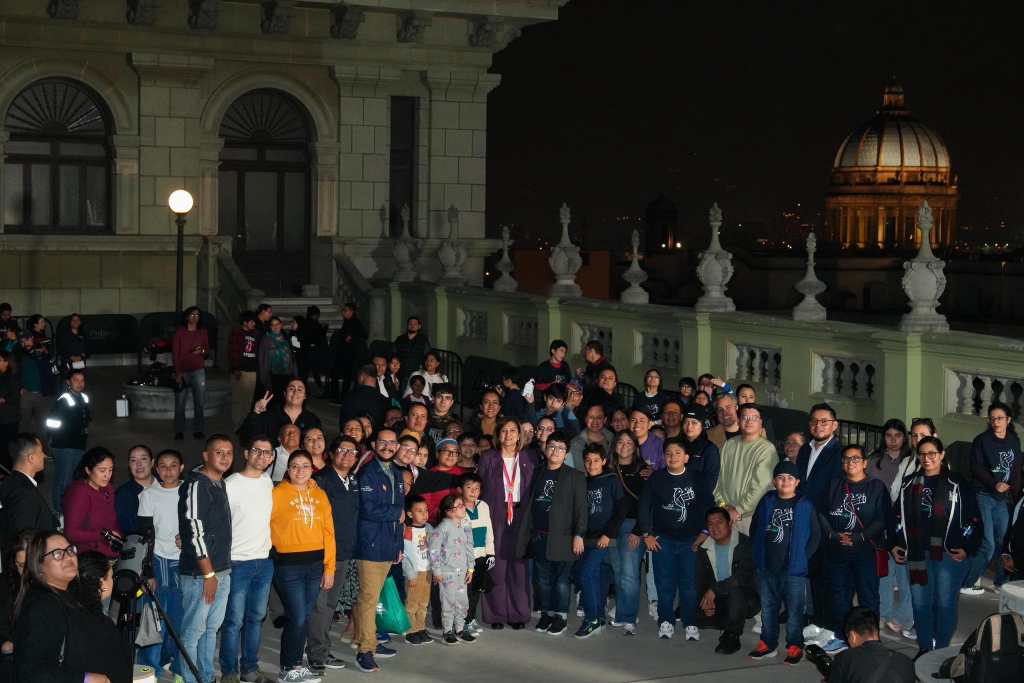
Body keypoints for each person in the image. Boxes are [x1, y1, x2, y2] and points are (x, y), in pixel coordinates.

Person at [891, 436, 981, 656]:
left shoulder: (957, 483)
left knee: (944, 604)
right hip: (917, 553)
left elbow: (973, 518)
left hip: (948, 554)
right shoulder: (909, 483)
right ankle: (924, 648)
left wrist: (967, 547)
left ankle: (940, 651)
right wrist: (895, 543)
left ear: (942, 455)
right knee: (920, 603)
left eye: (932, 453)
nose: (927, 458)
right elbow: (896, 517)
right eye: (922, 454)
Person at [13, 531, 130, 683]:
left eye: (70, 550)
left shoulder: (66, 598)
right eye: (57, 554)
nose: (68, 557)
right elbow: (32, 673)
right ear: (39, 566)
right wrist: (84, 679)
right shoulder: (42, 605)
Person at [633, 437, 713, 642]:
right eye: (668, 453)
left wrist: (705, 531)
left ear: (686, 457)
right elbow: (644, 506)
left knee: (689, 584)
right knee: (664, 583)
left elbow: (708, 506)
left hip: (691, 541)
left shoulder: (697, 478)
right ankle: (666, 620)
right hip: (663, 540)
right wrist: (647, 534)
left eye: (678, 453)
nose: (673, 457)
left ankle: (690, 621)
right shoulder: (656, 478)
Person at [270, 450, 335, 682]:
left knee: (305, 617)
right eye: (295, 466)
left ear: (312, 469)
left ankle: (296, 665)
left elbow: (329, 532)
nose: (300, 471)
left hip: (315, 566)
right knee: (297, 617)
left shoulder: (320, 494)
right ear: (288, 470)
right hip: (288, 567)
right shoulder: (276, 494)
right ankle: (287, 668)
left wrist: (329, 568)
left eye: (305, 466)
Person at [818, 444, 889, 653]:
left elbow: (882, 518)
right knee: (840, 597)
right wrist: (832, 534)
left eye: (856, 458)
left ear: (865, 463)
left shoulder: (876, 487)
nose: (851, 463)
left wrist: (859, 537)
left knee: (868, 598)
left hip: (865, 553)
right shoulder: (834, 485)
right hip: (837, 552)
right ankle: (842, 637)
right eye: (847, 459)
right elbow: (821, 512)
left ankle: (871, 641)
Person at [517, 430, 587, 636]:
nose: (555, 451)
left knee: (562, 581)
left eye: (560, 448)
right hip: (540, 535)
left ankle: (561, 616)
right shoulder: (537, 472)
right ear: (545, 449)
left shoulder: (575, 476)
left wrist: (579, 535)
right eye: (552, 447)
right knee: (542, 579)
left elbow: (581, 509)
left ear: (566, 453)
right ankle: (546, 613)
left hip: (564, 537)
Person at [749, 460, 819, 664]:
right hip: (767, 567)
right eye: (780, 478)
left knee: (795, 610)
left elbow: (815, 535)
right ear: (774, 481)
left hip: (794, 570)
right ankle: (768, 643)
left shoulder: (805, 504)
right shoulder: (767, 501)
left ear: (797, 482)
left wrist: (803, 557)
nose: (785, 481)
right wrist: (758, 553)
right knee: (768, 607)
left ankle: (794, 645)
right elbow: (755, 527)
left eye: (790, 478)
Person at [218, 437, 275, 683]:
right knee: (233, 621)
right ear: (245, 453)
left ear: (272, 458)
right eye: (256, 451)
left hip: (264, 562)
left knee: (256, 618)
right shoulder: (230, 484)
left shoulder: (267, 482)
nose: (261, 456)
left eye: (267, 452)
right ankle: (229, 672)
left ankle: (250, 669)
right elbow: (218, 524)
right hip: (237, 562)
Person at [179, 435, 234, 683]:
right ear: (205, 456)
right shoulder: (196, 485)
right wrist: (208, 574)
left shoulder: (218, 483)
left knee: (211, 630)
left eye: (229, 453)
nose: (225, 457)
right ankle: (191, 679)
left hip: (221, 570)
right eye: (218, 452)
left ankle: (207, 677)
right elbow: (195, 531)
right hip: (200, 574)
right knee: (192, 633)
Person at [476, 418, 536, 629]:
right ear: (498, 435)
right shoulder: (488, 458)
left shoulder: (529, 457)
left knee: (519, 567)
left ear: (519, 435)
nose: (508, 434)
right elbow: (480, 488)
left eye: (513, 430)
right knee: (497, 567)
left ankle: (518, 614)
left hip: (520, 514)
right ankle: (496, 614)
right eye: (504, 430)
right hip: (496, 513)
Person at [353, 428, 404, 673]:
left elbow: (401, 515)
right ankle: (365, 650)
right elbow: (368, 509)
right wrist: (397, 513)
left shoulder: (397, 473)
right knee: (369, 599)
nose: (387, 446)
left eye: (392, 443)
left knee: (371, 598)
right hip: (371, 546)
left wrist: (399, 545)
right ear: (374, 444)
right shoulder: (367, 473)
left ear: (397, 446)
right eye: (382, 442)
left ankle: (367, 638)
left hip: (389, 545)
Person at [309, 435, 359, 669]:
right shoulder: (320, 481)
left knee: (329, 605)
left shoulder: (354, 481)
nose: (348, 455)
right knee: (320, 606)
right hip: (324, 555)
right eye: (342, 450)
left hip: (344, 553)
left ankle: (319, 648)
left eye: (353, 452)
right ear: (330, 454)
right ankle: (317, 654)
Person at [135, 449, 186, 677]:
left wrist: (188, 538)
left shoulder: (189, 492)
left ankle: (173, 661)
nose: (168, 470)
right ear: (156, 469)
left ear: (181, 468)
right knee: (156, 615)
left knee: (180, 616)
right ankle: (149, 667)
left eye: (173, 465)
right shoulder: (149, 495)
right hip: (158, 560)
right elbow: (144, 535)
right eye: (163, 466)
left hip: (184, 561)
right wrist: (148, 571)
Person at [867, 418, 917, 639]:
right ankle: (883, 613)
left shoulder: (911, 461)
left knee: (905, 574)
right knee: (883, 572)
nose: (893, 440)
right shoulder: (874, 460)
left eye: (898, 435)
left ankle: (903, 617)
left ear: (904, 437)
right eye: (889, 435)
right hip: (878, 522)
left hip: (903, 523)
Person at [964, 401, 1020, 592]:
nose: (996, 422)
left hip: (1001, 499)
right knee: (987, 543)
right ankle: (968, 583)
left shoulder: (1013, 440)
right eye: (992, 418)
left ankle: (1001, 583)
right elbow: (976, 468)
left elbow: (1015, 469)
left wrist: (1015, 495)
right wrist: (994, 484)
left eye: (1000, 418)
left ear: (1008, 420)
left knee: (1004, 542)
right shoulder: (982, 440)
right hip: (983, 494)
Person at [576, 444, 626, 638]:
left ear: (604, 461)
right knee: (596, 576)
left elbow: (621, 509)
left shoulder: (611, 480)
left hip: (604, 538)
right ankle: (598, 616)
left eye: (596, 460)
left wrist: (609, 534)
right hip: (587, 538)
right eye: (588, 461)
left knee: (586, 574)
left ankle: (592, 618)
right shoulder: (584, 482)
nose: (592, 464)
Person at [695, 507, 759, 654]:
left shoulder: (746, 544)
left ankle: (732, 635)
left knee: (735, 593)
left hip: (745, 597)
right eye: (710, 524)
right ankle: (724, 619)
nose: (715, 527)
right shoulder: (704, 548)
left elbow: (742, 577)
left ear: (730, 523)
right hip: (718, 596)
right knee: (692, 613)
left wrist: (713, 590)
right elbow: (701, 579)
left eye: (719, 522)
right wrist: (705, 601)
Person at [714, 403, 777, 535]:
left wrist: (738, 510)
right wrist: (722, 505)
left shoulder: (766, 449)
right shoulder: (729, 444)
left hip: (749, 517)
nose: (749, 421)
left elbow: (761, 487)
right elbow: (717, 478)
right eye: (745, 417)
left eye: (754, 417)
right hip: (724, 512)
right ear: (738, 420)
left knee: (747, 548)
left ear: (761, 423)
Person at [606, 431, 646, 634]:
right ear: (614, 445)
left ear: (635, 447)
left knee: (629, 573)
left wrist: (639, 531)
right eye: (620, 442)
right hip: (612, 526)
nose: (624, 446)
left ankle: (628, 617)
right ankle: (623, 611)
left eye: (629, 442)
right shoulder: (607, 468)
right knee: (618, 571)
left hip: (632, 525)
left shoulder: (644, 470)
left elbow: (648, 503)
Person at [429, 494, 477, 644]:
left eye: (463, 505)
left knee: (462, 601)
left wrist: (471, 568)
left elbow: (470, 547)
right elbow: (434, 550)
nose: (464, 508)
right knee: (448, 602)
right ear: (449, 511)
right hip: (447, 573)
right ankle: (448, 630)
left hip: (462, 573)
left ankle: (460, 628)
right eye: (460, 505)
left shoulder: (465, 526)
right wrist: (437, 571)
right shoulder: (443, 528)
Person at [45, 368, 91, 516]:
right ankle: (60, 511)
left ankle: (69, 507)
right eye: (76, 380)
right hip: (64, 446)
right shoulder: (64, 400)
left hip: (78, 444)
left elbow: (85, 419)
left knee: (71, 478)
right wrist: (55, 440)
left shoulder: (83, 398)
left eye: (82, 380)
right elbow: (52, 423)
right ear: (68, 382)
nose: (80, 383)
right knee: (64, 479)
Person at [828, 607, 916, 683]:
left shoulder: (844, 659)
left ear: (853, 635)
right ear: (876, 631)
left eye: (848, 638)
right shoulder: (907, 662)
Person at [0, 435, 57, 548]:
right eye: (41, 452)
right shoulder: (23, 491)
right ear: (31, 458)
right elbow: (23, 538)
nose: (44, 456)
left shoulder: (11, 483)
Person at [62, 447, 119, 559]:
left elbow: (112, 520)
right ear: (88, 470)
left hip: (107, 545)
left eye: (110, 470)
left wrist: (118, 536)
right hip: (87, 552)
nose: (107, 475)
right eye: (102, 470)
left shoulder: (108, 489)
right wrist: (104, 535)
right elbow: (71, 533)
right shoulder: (79, 493)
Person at [240, 378, 322, 450]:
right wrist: (256, 412)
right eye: (291, 389)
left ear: (305, 396)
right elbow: (246, 439)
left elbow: (319, 446)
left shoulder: (312, 420)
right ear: (285, 394)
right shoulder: (269, 416)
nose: (295, 392)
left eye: (300, 390)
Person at [461, 473, 495, 633]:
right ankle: (462, 622)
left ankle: (471, 618)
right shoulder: (457, 508)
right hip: (464, 559)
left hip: (481, 556)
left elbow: (489, 530)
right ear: (460, 489)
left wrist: (490, 553)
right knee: (465, 593)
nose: (473, 491)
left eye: (477, 488)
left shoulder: (483, 506)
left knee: (477, 590)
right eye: (469, 487)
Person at [172, 306, 210, 440]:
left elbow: (207, 351)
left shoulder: (203, 332)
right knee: (180, 404)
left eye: (197, 315)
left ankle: (198, 430)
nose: (195, 318)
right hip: (183, 371)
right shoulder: (180, 333)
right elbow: (175, 354)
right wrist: (178, 372)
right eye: (192, 315)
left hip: (198, 370)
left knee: (199, 403)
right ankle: (179, 431)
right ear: (187, 317)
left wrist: (202, 351)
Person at [401, 495, 433, 646]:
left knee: (424, 603)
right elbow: (404, 555)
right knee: (412, 604)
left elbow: (435, 548)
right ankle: (411, 631)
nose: (424, 514)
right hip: (414, 574)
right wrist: (410, 574)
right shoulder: (408, 531)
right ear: (409, 514)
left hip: (427, 572)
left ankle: (420, 628)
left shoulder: (429, 529)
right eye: (419, 511)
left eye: (426, 510)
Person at [14, 330, 53, 435]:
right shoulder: (19, 354)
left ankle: (42, 444)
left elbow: (51, 370)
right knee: (24, 423)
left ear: (32, 338)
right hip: (26, 394)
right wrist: (20, 387)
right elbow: (15, 373)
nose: (24, 342)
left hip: (42, 394)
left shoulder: (42, 351)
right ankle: (23, 443)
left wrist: (45, 353)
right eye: (22, 341)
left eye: (27, 339)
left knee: (42, 424)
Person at [328, 302, 367, 400]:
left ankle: (342, 396)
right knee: (341, 375)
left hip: (350, 355)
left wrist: (350, 337)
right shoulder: (347, 322)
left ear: (351, 311)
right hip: (345, 354)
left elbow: (361, 336)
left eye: (345, 311)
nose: (343, 313)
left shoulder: (355, 323)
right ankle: (338, 395)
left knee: (346, 376)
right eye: (343, 310)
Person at [114, 444, 155, 535]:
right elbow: (128, 529)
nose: (138, 464)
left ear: (152, 463)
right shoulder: (123, 494)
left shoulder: (166, 485)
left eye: (143, 459)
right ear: (129, 465)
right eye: (133, 460)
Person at [228, 312, 260, 424]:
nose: (254, 323)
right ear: (245, 323)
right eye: (251, 322)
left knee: (249, 400)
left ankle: (246, 423)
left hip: (252, 371)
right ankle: (237, 424)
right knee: (237, 399)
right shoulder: (237, 333)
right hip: (240, 370)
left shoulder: (256, 334)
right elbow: (232, 351)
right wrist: (236, 368)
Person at [681, 405, 721, 493]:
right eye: (686, 422)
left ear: (702, 425)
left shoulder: (710, 449)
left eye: (694, 422)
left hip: (697, 496)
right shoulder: (677, 445)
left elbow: (709, 483)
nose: (689, 426)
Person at [258, 317, 296, 405]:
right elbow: (262, 358)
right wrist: (263, 375)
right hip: (273, 375)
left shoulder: (286, 337)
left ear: (281, 325)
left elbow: (291, 356)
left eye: (277, 324)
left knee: (286, 399)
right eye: (272, 325)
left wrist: (294, 371)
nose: (275, 326)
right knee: (274, 400)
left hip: (287, 373)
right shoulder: (266, 339)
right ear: (270, 327)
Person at [338, 365, 389, 431]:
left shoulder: (350, 397)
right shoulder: (384, 400)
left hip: (353, 435)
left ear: (361, 377)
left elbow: (344, 425)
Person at [568, 403, 613, 470]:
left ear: (605, 420)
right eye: (591, 417)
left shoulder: (613, 439)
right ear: (585, 419)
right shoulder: (575, 444)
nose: (595, 421)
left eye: (599, 417)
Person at [296, 305, 328, 394]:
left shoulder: (306, 323)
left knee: (308, 372)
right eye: (316, 315)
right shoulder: (312, 324)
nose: (317, 317)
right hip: (310, 351)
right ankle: (316, 388)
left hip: (307, 351)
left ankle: (307, 389)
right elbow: (318, 337)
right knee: (312, 371)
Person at [394, 317, 431, 385]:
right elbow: (394, 354)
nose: (412, 325)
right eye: (410, 324)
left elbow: (427, 356)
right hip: (401, 372)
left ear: (419, 326)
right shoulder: (400, 339)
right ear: (407, 325)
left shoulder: (423, 340)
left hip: (416, 372)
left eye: (415, 324)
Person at [0, 351, 20, 470]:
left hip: (9, 417)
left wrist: (3, 399)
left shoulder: (11, 377)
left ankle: (11, 470)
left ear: (6, 362)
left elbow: (15, 396)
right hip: (2, 417)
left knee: (9, 446)